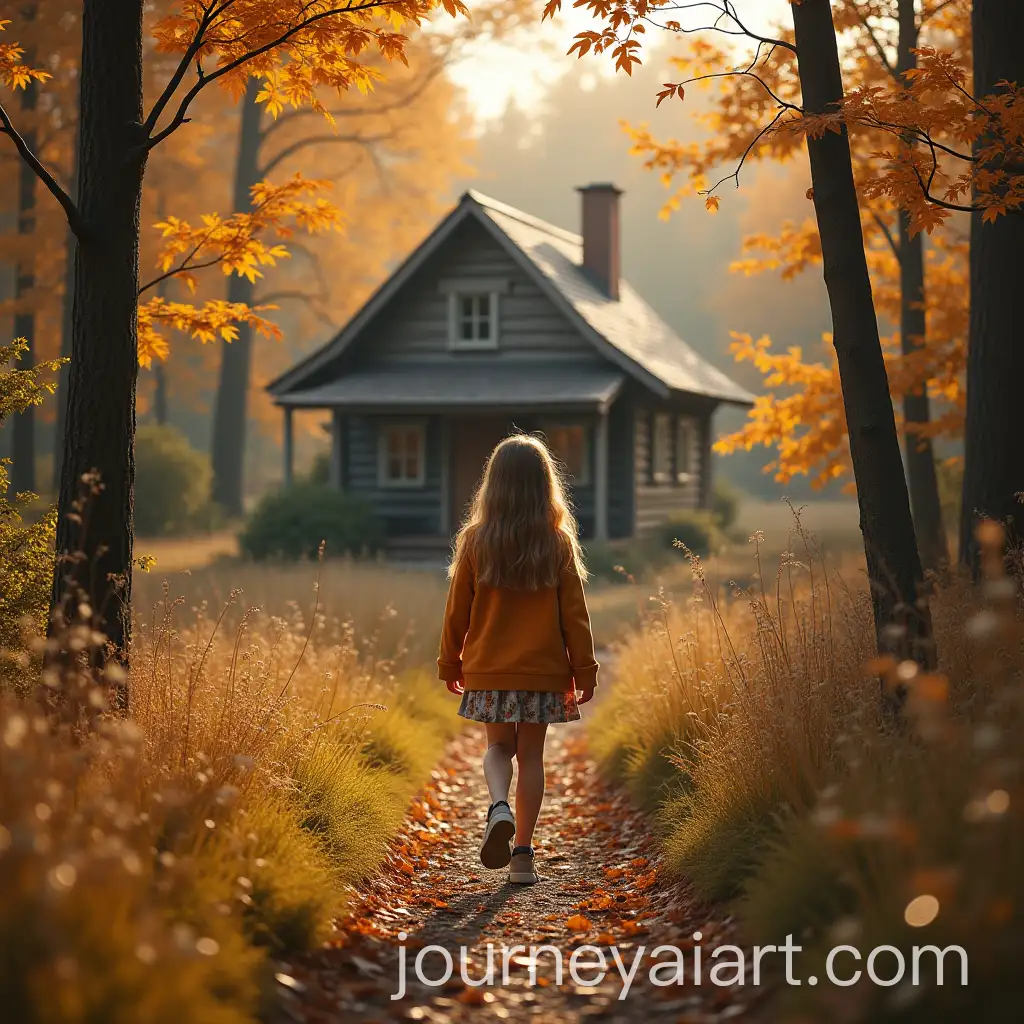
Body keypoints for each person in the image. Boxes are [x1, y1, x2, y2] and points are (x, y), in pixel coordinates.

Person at [437, 434, 599, 885]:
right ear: (544, 486)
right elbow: (575, 615)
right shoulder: (557, 543)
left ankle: (497, 806)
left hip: (488, 669)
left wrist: (450, 662)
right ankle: (523, 858)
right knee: (531, 756)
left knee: (497, 748)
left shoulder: (474, 541)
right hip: (543, 672)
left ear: (494, 485)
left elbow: (457, 611)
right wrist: (584, 670)